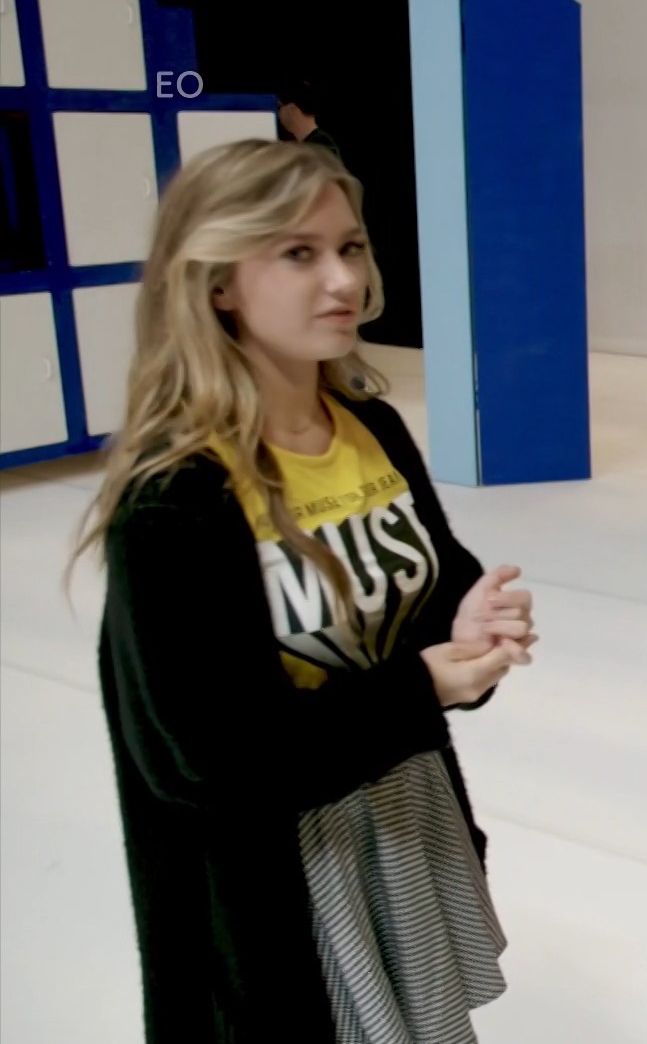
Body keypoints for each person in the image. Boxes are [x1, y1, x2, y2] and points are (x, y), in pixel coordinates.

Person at [71, 139, 537, 1043]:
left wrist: (468, 616)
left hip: (398, 822)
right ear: (217, 283)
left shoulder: (369, 423)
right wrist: (424, 686)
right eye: (298, 253)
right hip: (280, 879)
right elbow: (206, 756)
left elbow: (427, 581)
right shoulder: (176, 497)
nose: (343, 280)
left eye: (351, 247)